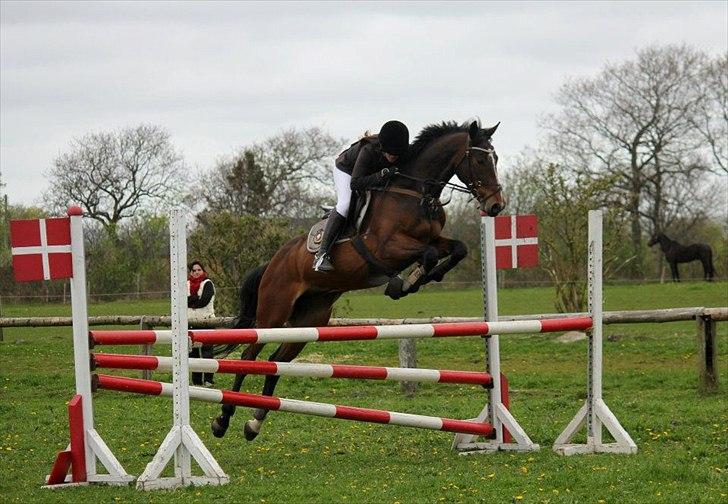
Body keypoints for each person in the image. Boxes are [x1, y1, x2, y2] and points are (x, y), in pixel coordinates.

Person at [313, 120, 410, 272]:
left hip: (368, 174)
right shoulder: (369, 150)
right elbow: (356, 183)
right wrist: (382, 174)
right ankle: (322, 255)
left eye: (396, 154)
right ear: (383, 148)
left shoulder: (401, 150)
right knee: (345, 206)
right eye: (390, 153)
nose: (393, 157)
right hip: (347, 171)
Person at [187, 260, 216, 387]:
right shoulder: (186, 284)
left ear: (203, 271)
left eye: (199, 270)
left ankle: (209, 379)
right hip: (190, 323)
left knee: (207, 352)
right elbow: (182, 301)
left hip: (206, 321)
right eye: (194, 270)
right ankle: (197, 381)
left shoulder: (208, 284)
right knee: (193, 352)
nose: (197, 272)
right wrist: (195, 300)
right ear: (191, 272)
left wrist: (191, 300)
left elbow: (204, 301)